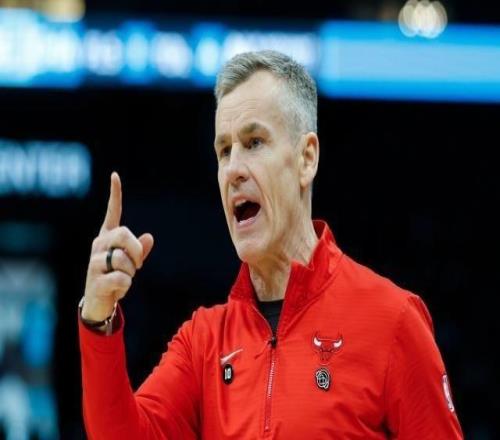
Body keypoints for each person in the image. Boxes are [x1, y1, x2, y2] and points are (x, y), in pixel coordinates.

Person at [78, 50, 463, 439]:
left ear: (306, 159)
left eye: (254, 142)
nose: (233, 169)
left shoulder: (392, 321)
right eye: (224, 150)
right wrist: (97, 315)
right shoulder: (203, 342)